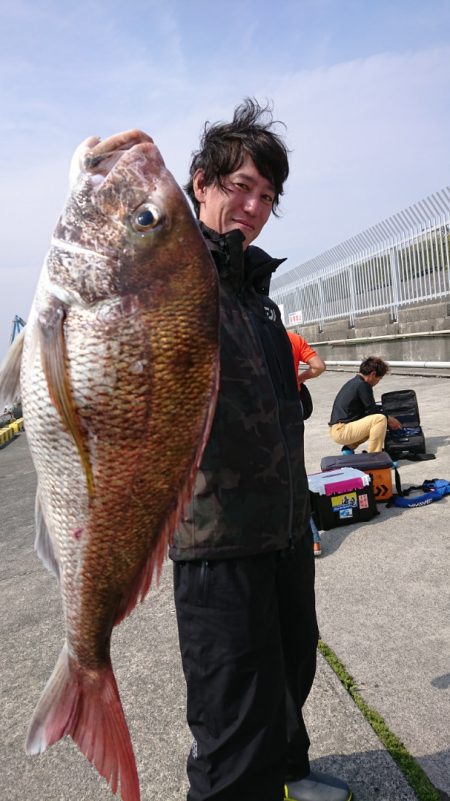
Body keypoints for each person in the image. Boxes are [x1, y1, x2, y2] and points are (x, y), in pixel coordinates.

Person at [169, 99, 351, 801]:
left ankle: (288, 771)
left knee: (290, 671)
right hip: (216, 542)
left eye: (267, 195)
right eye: (240, 185)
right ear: (200, 183)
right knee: (232, 719)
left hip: (280, 529)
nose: (254, 204)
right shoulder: (177, 282)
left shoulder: (261, 299)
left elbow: (279, 401)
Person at [287, 332, 326, 556]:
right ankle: (312, 538)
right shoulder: (292, 338)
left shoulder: (248, 333)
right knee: (295, 471)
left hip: (263, 412)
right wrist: (299, 379)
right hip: (293, 406)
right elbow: (319, 366)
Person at [329, 356, 401, 453]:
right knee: (380, 419)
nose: (377, 382)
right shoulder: (363, 385)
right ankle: (375, 456)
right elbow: (372, 411)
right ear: (373, 374)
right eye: (379, 378)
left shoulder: (354, 382)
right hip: (342, 430)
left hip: (338, 430)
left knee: (374, 425)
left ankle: (348, 449)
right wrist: (390, 419)